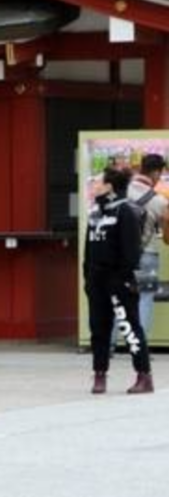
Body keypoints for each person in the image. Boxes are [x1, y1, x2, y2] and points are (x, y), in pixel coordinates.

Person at [85, 167, 154, 395]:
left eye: (97, 181)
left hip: (119, 280)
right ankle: (99, 374)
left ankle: (144, 376)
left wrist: (123, 278)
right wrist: (88, 278)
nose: (93, 183)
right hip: (96, 280)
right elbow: (89, 249)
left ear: (109, 186)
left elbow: (131, 251)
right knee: (98, 328)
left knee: (129, 328)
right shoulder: (94, 212)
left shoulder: (125, 211)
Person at [127, 153, 169, 338]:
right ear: (155, 173)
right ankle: (140, 346)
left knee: (118, 297)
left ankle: (108, 346)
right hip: (147, 255)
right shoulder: (159, 201)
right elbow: (167, 239)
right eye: (160, 173)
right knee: (145, 298)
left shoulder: (124, 190)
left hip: (121, 256)